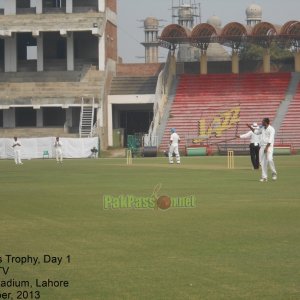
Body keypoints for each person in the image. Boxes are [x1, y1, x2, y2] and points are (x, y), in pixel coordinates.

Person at [247, 118, 277, 182]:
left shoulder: (271, 129)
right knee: (262, 162)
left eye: (262, 122)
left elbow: (271, 139)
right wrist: (250, 127)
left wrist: (266, 148)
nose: (261, 123)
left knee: (270, 159)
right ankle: (264, 177)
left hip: (269, 146)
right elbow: (256, 132)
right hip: (262, 146)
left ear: (266, 122)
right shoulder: (262, 128)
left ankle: (274, 173)